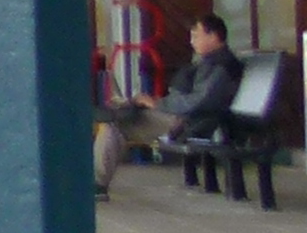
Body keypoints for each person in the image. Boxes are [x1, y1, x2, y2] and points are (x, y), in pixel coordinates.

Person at [96, 13, 242, 192]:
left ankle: (97, 183)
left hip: (189, 123)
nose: (192, 41)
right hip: (191, 119)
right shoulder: (213, 63)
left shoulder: (221, 67)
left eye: (196, 36)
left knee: (116, 123)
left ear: (213, 36)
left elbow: (197, 102)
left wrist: (157, 104)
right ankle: (121, 109)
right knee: (123, 113)